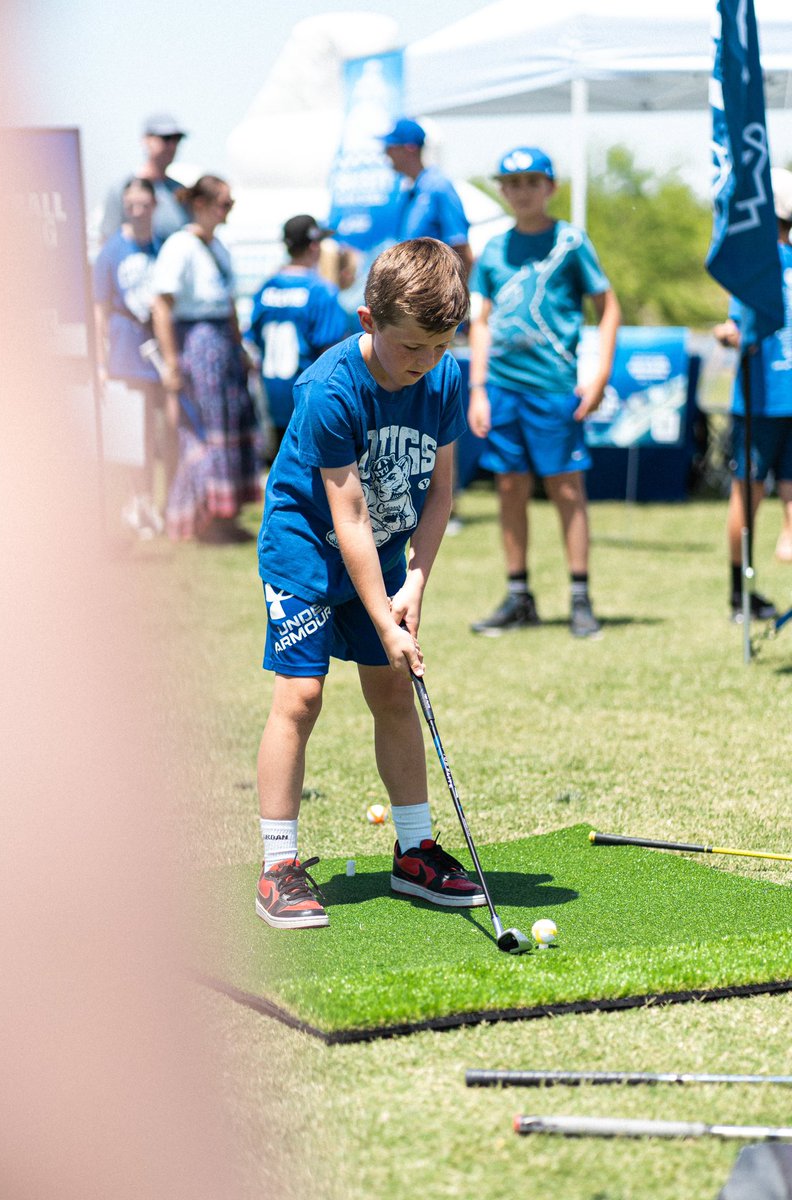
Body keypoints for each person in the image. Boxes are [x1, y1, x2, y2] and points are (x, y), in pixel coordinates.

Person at [254, 238, 485, 930]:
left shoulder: (441, 381)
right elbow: (346, 514)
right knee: (301, 695)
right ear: (367, 322)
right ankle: (279, 866)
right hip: (308, 550)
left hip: (383, 549)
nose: (424, 363)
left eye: (440, 347)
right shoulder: (329, 389)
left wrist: (413, 583)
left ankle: (415, 851)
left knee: (391, 686)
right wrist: (383, 619)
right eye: (412, 347)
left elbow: (441, 492)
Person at [467, 146, 621, 639]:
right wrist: (478, 389)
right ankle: (518, 595)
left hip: (556, 388)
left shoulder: (571, 241)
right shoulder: (492, 250)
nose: (521, 191)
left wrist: (599, 375)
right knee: (509, 487)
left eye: (532, 181)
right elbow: (482, 322)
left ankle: (580, 595)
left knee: (566, 487)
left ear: (551, 188)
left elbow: (608, 306)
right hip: (502, 388)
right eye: (511, 183)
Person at [152, 174, 264, 543]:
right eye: (224, 203)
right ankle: (200, 520)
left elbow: (229, 304)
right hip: (198, 344)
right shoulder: (179, 246)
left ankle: (225, 514)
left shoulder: (219, 247)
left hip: (223, 345)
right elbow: (162, 304)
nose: (228, 210)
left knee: (230, 427)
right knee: (205, 430)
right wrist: (171, 361)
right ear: (201, 204)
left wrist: (240, 347)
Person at [713, 166, 792, 618]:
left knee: (746, 493)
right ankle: (745, 592)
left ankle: (739, 595)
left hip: (759, 397)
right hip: (770, 395)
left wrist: (728, 333)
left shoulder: (752, 268)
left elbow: (739, 329)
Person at [93, 177, 168, 538]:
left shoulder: (161, 246)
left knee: (162, 431)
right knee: (131, 434)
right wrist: (101, 360)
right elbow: (100, 307)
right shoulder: (111, 250)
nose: (138, 212)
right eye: (131, 205)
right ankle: (136, 503)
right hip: (126, 348)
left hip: (158, 348)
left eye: (144, 205)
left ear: (154, 206)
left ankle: (160, 502)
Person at [248, 214, 348, 459]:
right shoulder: (322, 291)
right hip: (307, 394)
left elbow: (251, 339)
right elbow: (331, 351)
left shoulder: (266, 287)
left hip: (271, 393)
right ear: (314, 246)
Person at [380, 118, 473, 276]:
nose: (385, 152)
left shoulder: (439, 187)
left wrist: (456, 297)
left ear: (410, 148)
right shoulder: (408, 192)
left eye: (391, 147)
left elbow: (461, 247)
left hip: (435, 295)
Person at [99, 113, 189, 246]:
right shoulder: (122, 188)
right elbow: (108, 240)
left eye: (177, 139)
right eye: (166, 138)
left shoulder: (180, 191)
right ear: (146, 139)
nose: (172, 145)